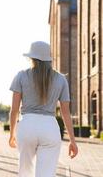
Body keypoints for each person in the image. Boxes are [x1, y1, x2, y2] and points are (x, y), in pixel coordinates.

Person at [9, 41, 78, 177]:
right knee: (46, 174)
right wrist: (72, 141)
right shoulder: (61, 79)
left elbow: (14, 110)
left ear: (32, 58)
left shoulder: (21, 76)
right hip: (50, 128)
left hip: (27, 126)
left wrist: (12, 134)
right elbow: (65, 113)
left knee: (24, 172)